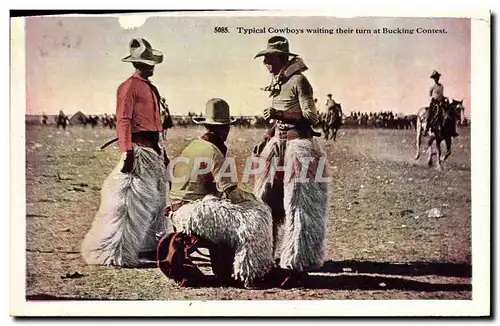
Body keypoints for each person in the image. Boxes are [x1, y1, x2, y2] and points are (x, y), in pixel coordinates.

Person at [157, 98, 274, 289]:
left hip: (179, 212)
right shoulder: (214, 152)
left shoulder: (193, 146)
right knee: (256, 217)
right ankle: (251, 273)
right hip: (195, 212)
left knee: (237, 214)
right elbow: (231, 192)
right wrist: (253, 199)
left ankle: (235, 266)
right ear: (224, 128)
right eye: (227, 127)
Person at [81, 38, 169, 267]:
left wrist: (161, 150)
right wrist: (127, 152)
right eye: (147, 63)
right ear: (138, 64)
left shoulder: (151, 88)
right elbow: (123, 121)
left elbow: (156, 124)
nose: (152, 66)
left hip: (152, 150)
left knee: (155, 200)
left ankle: (148, 247)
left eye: (152, 62)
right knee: (130, 202)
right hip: (138, 150)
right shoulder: (128, 87)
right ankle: (116, 252)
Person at [252, 36, 329, 288]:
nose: (265, 63)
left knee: (298, 204)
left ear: (280, 58)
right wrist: (266, 138)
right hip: (278, 147)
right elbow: (277, 123)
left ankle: (297, 264)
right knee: (266, 201)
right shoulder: (278, 84)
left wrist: (280, 114)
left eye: (269, 58)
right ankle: (265, 255)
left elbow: (312, 118)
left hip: (299, 147)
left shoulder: (299, 82)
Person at [425, 70, 458, 137]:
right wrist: (433, 98)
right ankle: (426, 129)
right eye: (435, 77)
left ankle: (453, 131)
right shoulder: (432, 87)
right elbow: (429, 96)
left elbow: (442, 95)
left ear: (438, 78)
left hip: (441, 102)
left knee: (450, 112)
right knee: (429, 113)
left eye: (437, 77)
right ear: (433, 79)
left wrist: (445, 98)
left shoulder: (441, 86)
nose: (436, 78)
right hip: (434, 102)